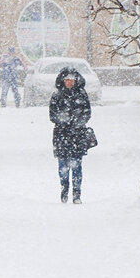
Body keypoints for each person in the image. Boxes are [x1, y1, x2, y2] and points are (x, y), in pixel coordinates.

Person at [50, 67, 92, 204]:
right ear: (62, 81)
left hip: (77, 135)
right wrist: (64, 122)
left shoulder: (82, 95)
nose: (69, 82)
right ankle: (64, 188)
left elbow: (87, 113)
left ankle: (76, 193)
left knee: (77, 166)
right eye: (67, 80)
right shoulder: (56, 96)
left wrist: (77, 124)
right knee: (63, 166)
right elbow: (52, 115)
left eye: (72, 80)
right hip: (61, 135)